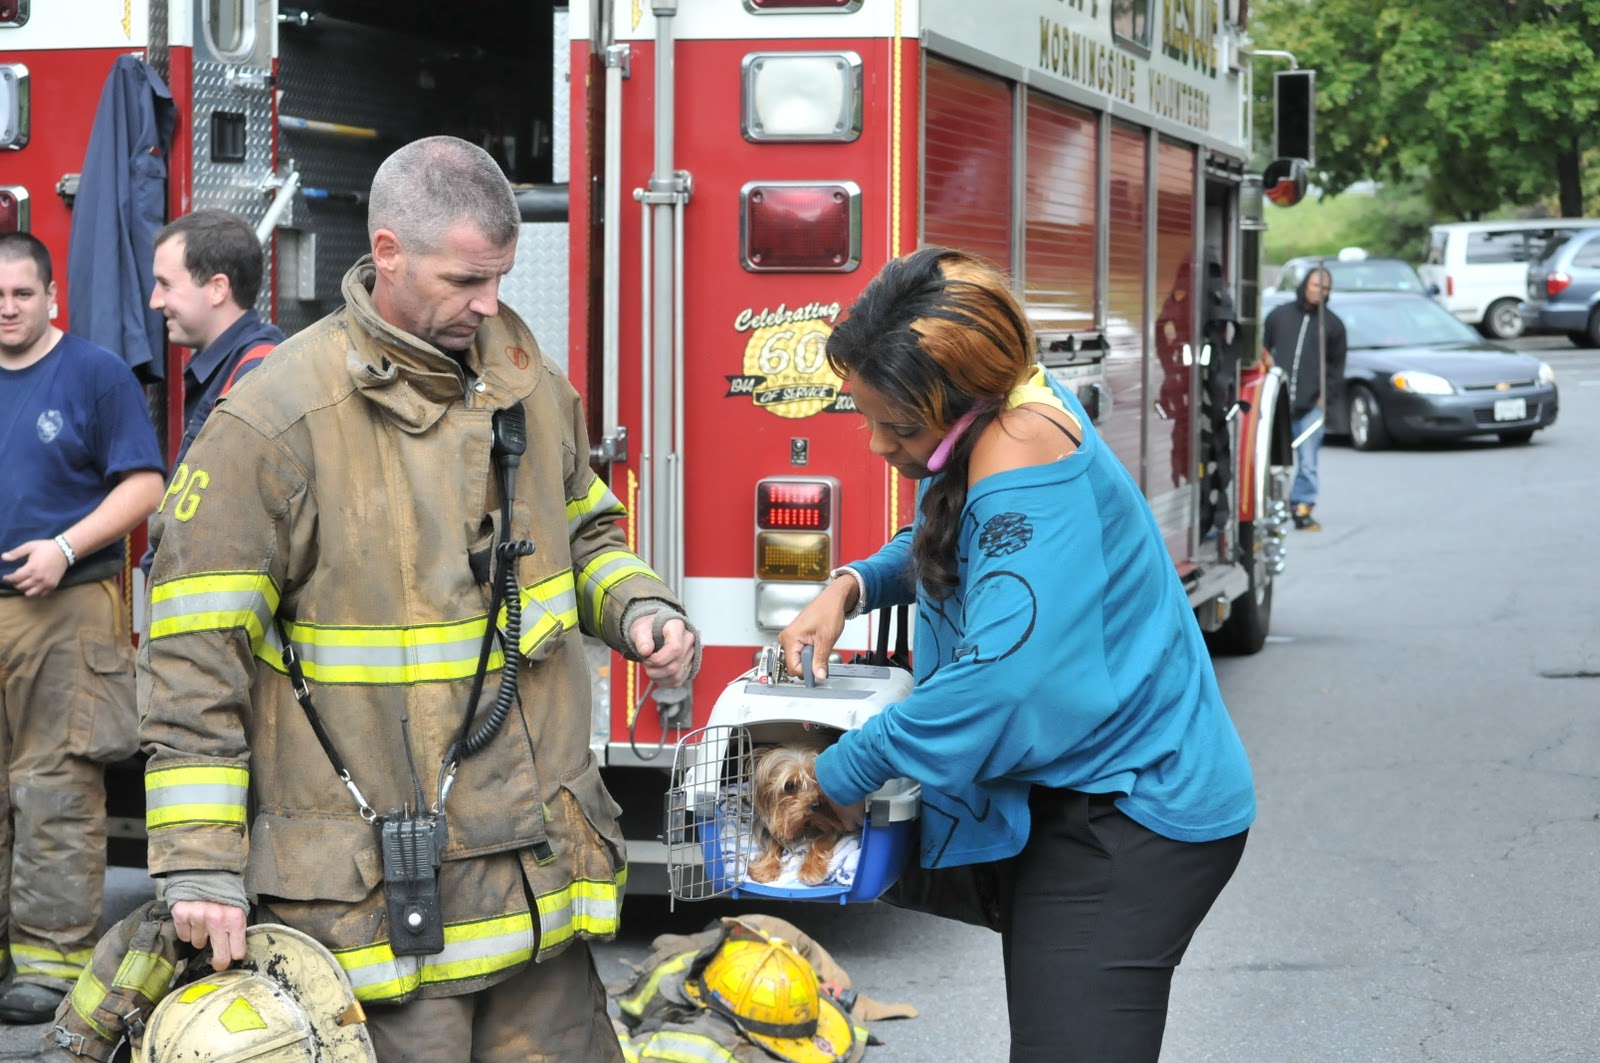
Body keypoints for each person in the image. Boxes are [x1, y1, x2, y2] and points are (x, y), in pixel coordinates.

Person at [138, 135, 700, 1062]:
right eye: (464, 280)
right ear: (388, 253)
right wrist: (200, 863)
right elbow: (196, 658)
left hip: (535, 898)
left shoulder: (524, 378)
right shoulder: (274, 424)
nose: (488, 304)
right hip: (382, 918)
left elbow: (586, 526)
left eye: (501, 278)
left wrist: (640, 609)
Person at [779, 247, 1255, 1063]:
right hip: (1078, 794)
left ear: (964, 404)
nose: (874, 445)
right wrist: (852, 585)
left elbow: (999, 685)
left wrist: (837, 776)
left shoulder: (1023, 444)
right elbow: (961, 540)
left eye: (895, 426)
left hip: (1131, 808)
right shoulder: (1006, 407)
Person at [0, 232, 165, 1023]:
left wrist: (63, 548)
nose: (6, 307)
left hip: (63, 607)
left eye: (21, 294)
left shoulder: (95, 374)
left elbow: (145, 485)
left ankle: (49, 961)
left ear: (51, 296)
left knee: (55, 785)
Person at [141, 208, 285, 574]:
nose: (155, 301)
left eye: (166, 284)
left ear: (218, 288)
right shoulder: (236, 368)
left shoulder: (256, 374)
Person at [1262, 265, 1346, 531]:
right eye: (1315, 286)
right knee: (1269, 461)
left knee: (1308, 462)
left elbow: (1336, 368)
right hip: (1278, 404)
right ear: (1304, 286)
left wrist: (1324, 399)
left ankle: (1302, 508)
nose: (1319, 292)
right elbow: (1263, 349)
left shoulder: (1333, 325)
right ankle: (1267, 509)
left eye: (1325, 288)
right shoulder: (1279, 315)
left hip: (1311, 406)